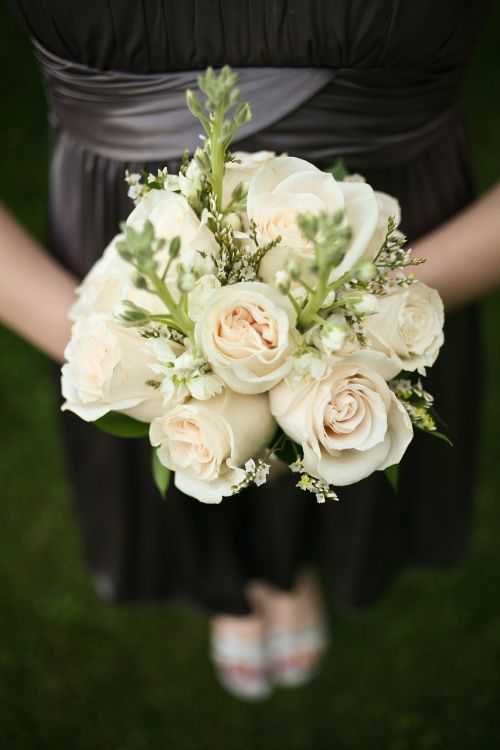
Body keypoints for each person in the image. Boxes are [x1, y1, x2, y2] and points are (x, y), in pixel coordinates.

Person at [2, 0, 498, 700]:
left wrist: (362, 313)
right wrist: (122, 348)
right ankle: (239, 584)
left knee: (338, 441)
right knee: (198, 452)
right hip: (136, 254)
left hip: (407, 242)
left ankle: (289, 571)